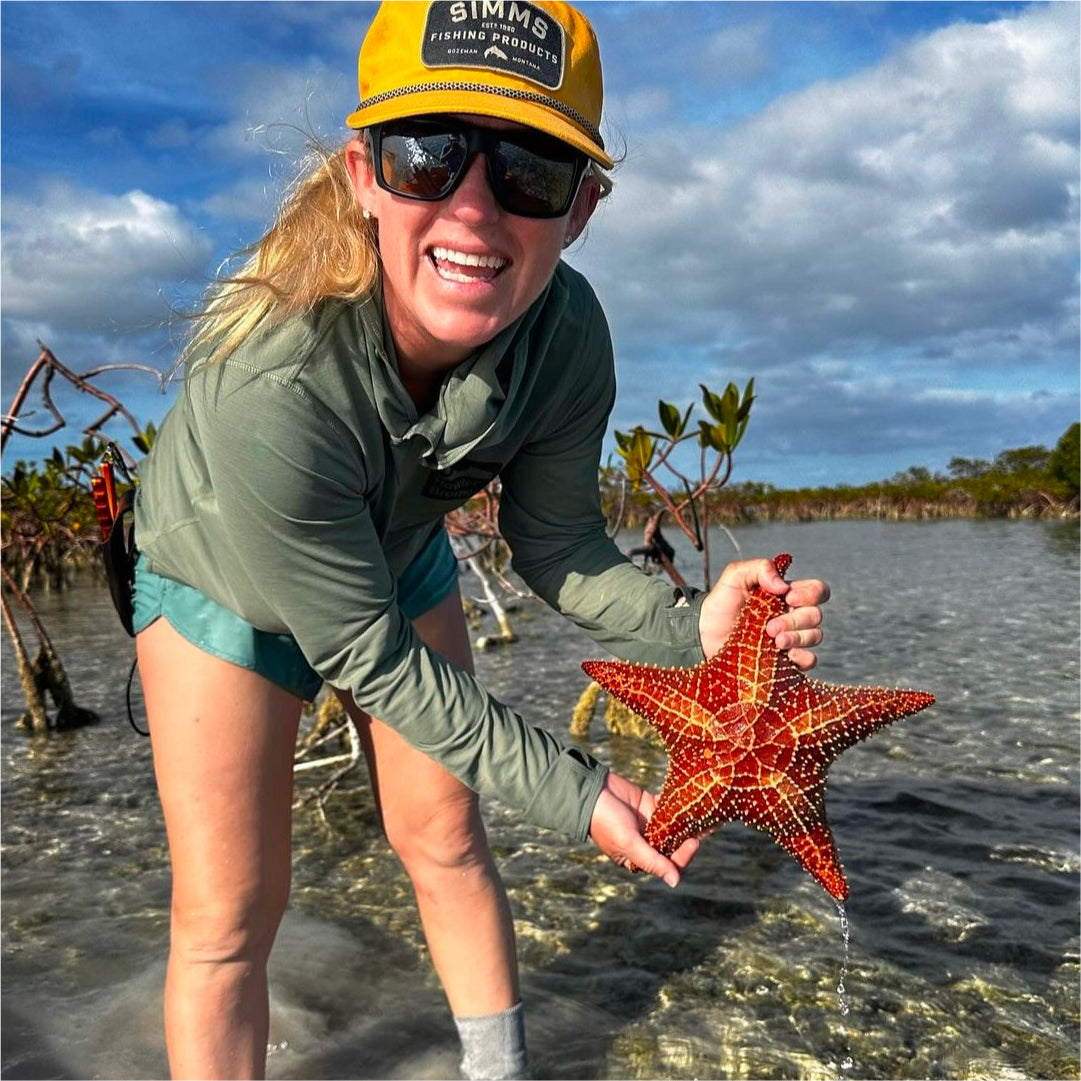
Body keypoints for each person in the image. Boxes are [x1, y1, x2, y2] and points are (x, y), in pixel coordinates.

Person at [132, 2, 830, 1078]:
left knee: (448, 836)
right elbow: (370, 656)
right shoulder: (272, 372)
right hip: (217, 582)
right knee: (229, 913)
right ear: (364, 174)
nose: (471, 207)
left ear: (580, 208)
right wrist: (578, 790)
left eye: (529, 172)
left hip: (398, 551)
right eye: (427, 155)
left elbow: (558, 545)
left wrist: (696, 626)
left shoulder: (568, 335)